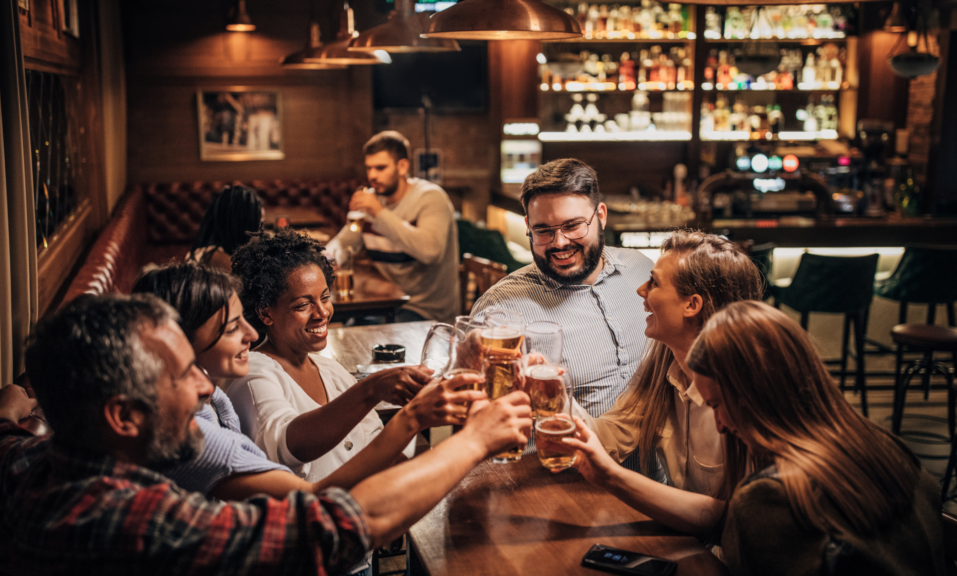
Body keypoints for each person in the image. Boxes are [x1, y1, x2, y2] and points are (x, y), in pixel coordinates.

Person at [0, 294, 532, 574]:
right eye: (183, 375)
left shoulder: (27, 462)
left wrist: (4, 407)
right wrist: (473, 440)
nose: (205, 388)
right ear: (124, 418)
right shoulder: (128, 520)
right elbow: (332, 526)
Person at [567, 300, 945, 574]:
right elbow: (724, 519)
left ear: (757, 396)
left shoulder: (772, 496)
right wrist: (609, 475)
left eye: (717, 405)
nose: (720, 425)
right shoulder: (885, 445)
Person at [132, 263, 473, 504]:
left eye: (325, 297)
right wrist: (410, 415)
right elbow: (311, 495)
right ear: (175, 341)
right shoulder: (195, 433)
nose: (251, 334)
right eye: (233, 326)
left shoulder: (215, 403)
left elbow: (376, 445)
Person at [229, 228, 446, 483]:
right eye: (303, 305)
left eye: (325, 298)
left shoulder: (331, 371)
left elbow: (379, 450)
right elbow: (288, 445)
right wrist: (370, 390)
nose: (322, 312)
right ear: (266, 313)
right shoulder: (253, 373)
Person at [578, 230, 762, 492]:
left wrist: (616, 479)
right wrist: (552, 398)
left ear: (692, 305)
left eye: (654, 282)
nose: (641, 290)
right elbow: (612, 436)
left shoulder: (745, 395)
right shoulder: (662, 365)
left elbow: (733, 512)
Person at [471, 158, 654, 420]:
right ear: (528, 227)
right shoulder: (501, 309)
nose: (559, 242)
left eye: (572, 226)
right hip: (557, 447)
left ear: (601, 216)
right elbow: (478, 416)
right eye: (543, 230)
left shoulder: (641, 269)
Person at [324, 131, 459, 323]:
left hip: (424, 312)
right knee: (337, 326)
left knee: (357, 331)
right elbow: (345, 242)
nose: (372, 175)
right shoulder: (373, 200)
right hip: (384, 302)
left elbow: (430, 251)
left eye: (380, 168)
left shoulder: (431, 198)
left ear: (402, 166)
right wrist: (328, 259)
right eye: (369, 168)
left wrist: (379, 213)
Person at [187, 185, 263, 272]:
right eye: (258, 221)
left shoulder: (210, 250)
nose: (260, 229)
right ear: (243, 223)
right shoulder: (216, 257)